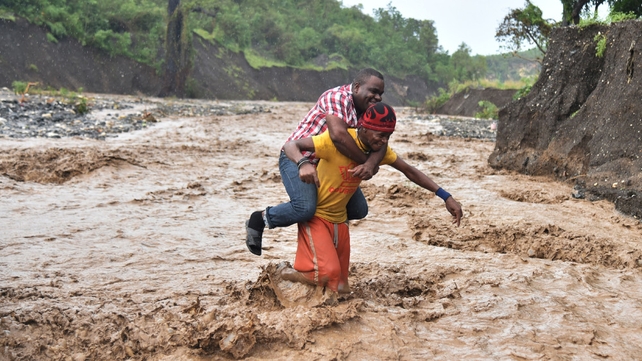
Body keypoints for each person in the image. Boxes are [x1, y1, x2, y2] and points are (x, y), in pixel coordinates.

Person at [278, 102, 463, 293]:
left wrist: (445, 196)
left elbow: (410, 171)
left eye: (388, 136)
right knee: (327, 273)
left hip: (340, 221)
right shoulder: (335, 142)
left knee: (341, 288)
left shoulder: (376, 152)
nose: (384, 141)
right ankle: (285, 274)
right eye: (380, 135)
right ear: (363, 128)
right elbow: (290, 145)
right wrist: (302, 163)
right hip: (316, 217)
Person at [245, 68, 388, 256]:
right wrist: (366, 161)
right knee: (305, 208)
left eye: (380, 94)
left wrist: (371, 164)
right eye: (373, 91)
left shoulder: (368, 111)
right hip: (299, 156)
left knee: (358, 209)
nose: (377, 97)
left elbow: (384, 139)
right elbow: (338, 136)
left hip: (328, 165)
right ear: (356, 87)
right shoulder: (337, 98)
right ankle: (260, 219)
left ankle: (322, 233)